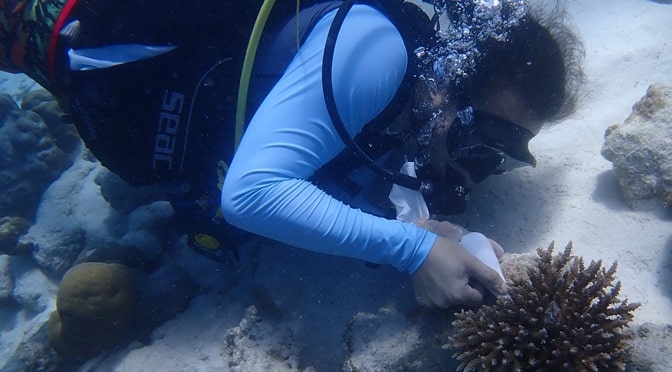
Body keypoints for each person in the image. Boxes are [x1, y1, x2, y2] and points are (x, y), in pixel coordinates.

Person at [0, 0, 582, 308]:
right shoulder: (379, 51)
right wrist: (411, 249)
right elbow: (251, 194)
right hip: (63, 36)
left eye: (501, 159)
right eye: (480, 144)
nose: (474, 170)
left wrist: (418, 224)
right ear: (445, 85)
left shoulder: (412, 93)